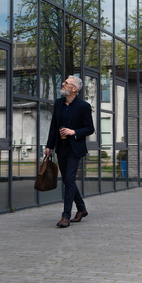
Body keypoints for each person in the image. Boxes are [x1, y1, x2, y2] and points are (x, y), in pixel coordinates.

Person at [45, 75, 94, 228]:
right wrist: (49, 146)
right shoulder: (59, 103)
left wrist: (74, 132)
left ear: (74, 89)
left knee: (69, 179)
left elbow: (90, 128)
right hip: (61, 147)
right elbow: (54, 126)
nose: (63, 84)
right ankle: (81, 208)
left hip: (75, 148)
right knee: (68, 180)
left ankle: (65, 216)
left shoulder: (83, 106)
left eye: (66, 83)